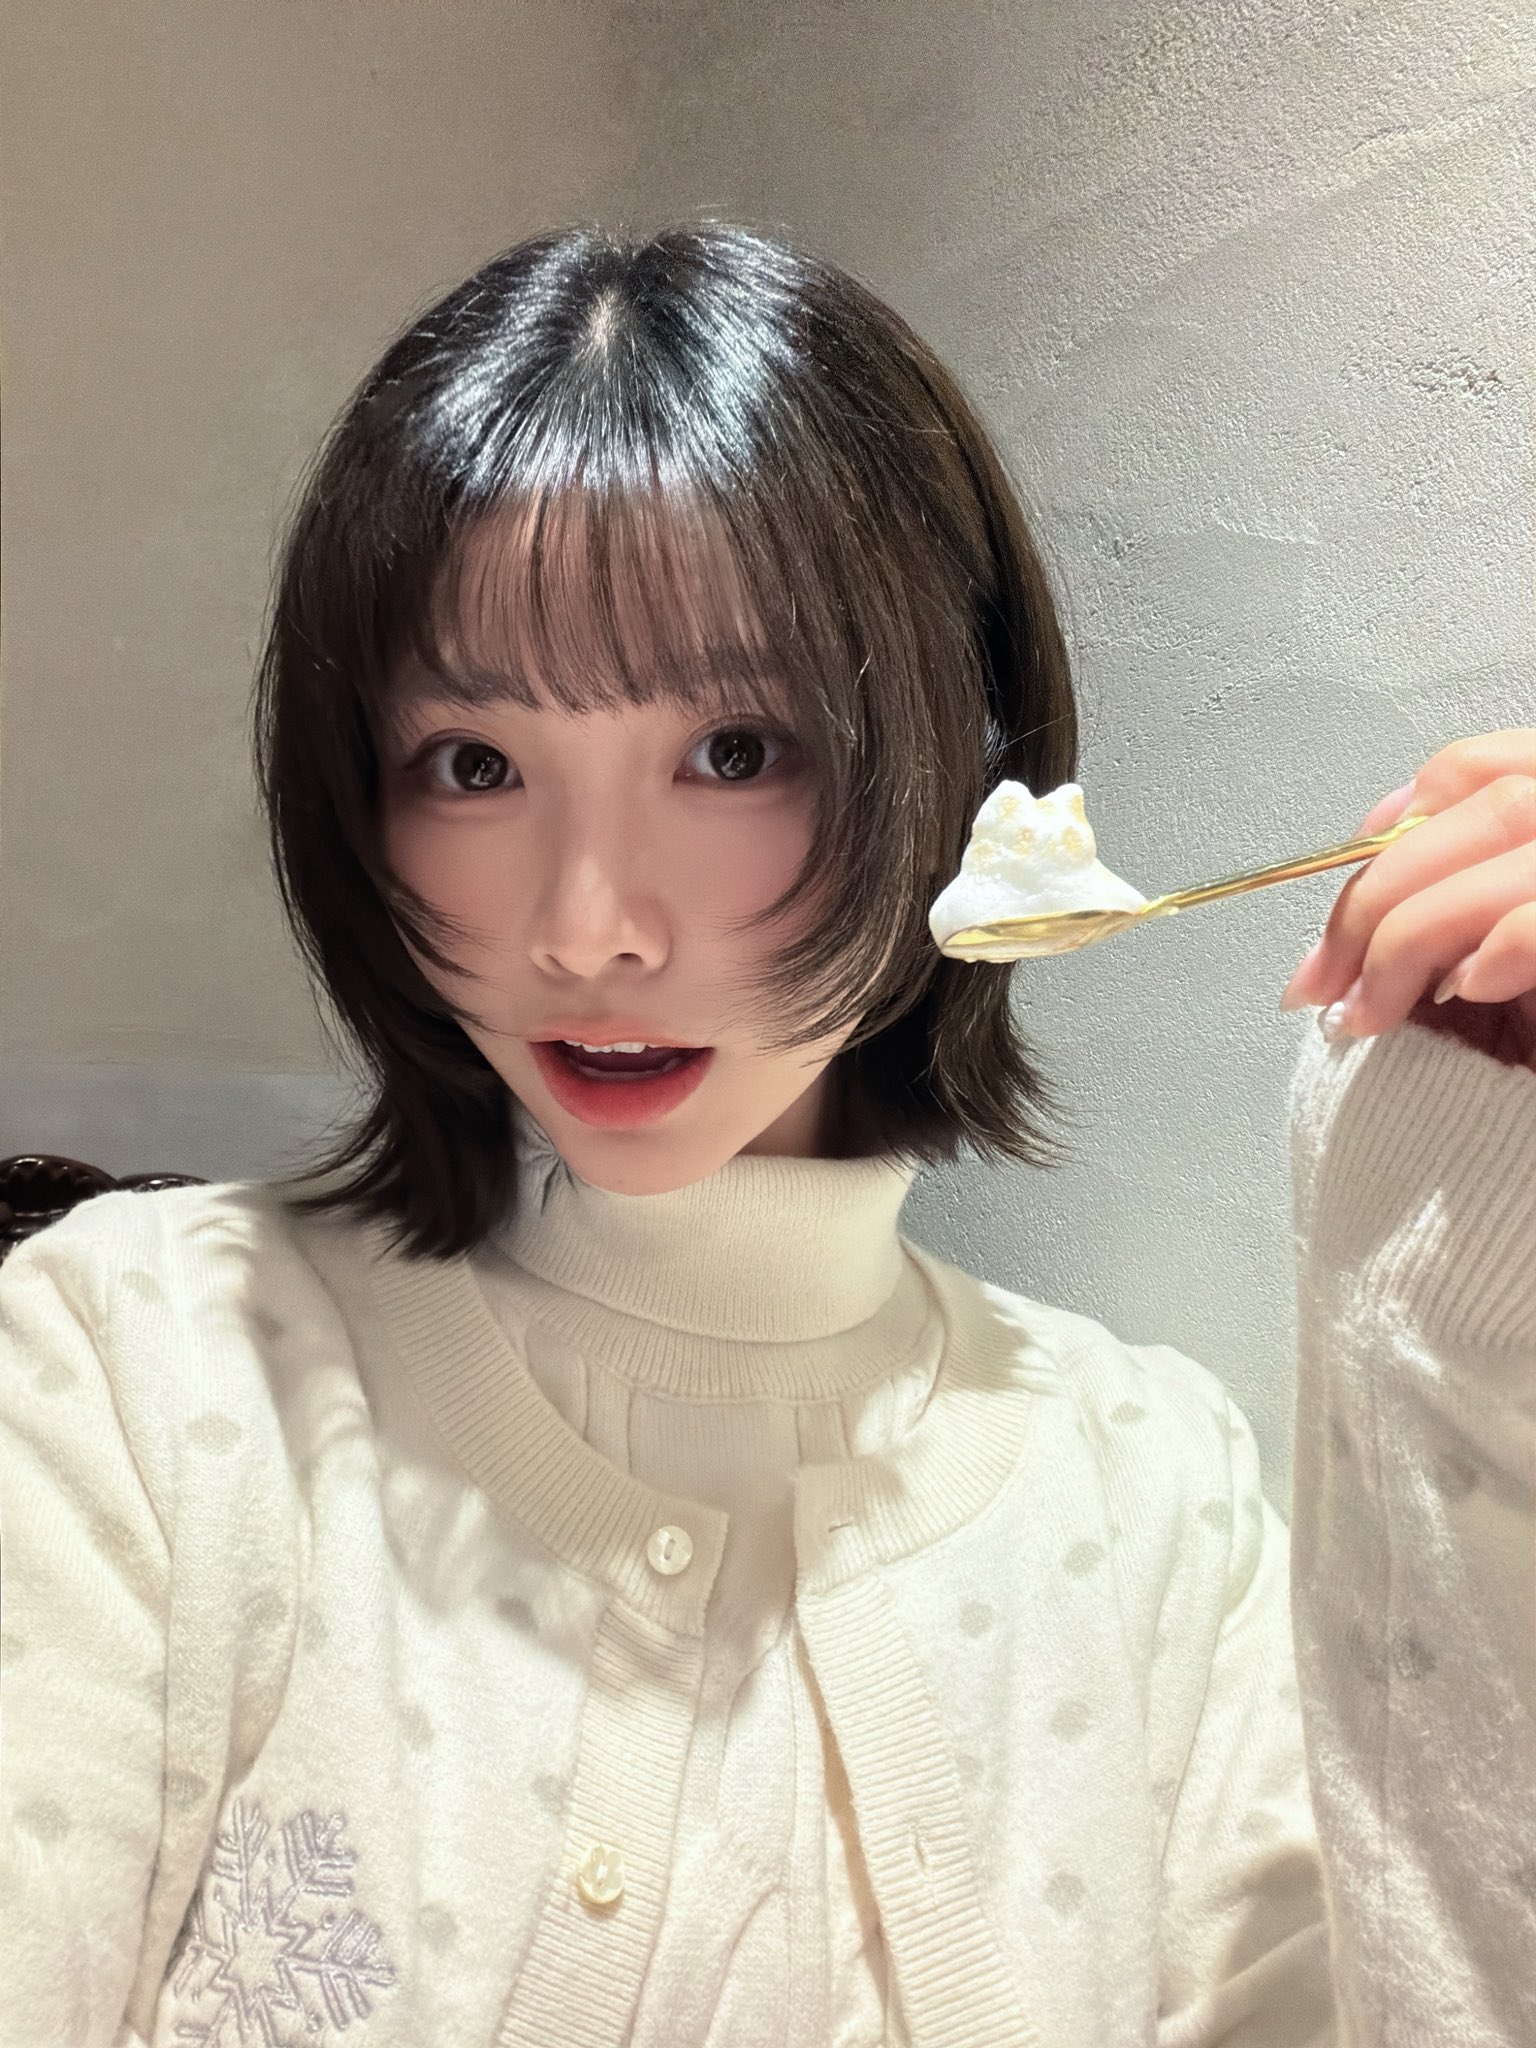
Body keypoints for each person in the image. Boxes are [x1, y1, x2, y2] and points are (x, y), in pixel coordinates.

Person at [1, 221, 1531, 2048]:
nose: (588, 931)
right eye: (473, 765)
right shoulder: (137, 1364)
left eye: (734, 752)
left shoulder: (1148, 1491)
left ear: (967, 769)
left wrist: (1483, 1229)